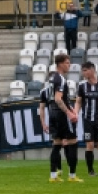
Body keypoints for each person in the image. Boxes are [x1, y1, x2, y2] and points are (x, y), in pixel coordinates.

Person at [39, 53, 80, 182]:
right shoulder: (60, 79)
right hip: (62, 114)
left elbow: (47, 103)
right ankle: (72, 176)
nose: (69, 65)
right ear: (61, 64)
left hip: (53, 114)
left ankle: (53, 176)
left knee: (56, 144)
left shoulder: (50, 81)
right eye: (67, 63)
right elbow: (58, 99)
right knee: (73, 142)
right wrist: (69, 112)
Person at [74, 62, 98, 177]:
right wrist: (75, 113)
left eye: (85, 70)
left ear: (92, 70)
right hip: (87, 120)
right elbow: (79, 101)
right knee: (89, 145)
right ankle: (91, 171)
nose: (83, 73)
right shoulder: (82, 86)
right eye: (82, 70)